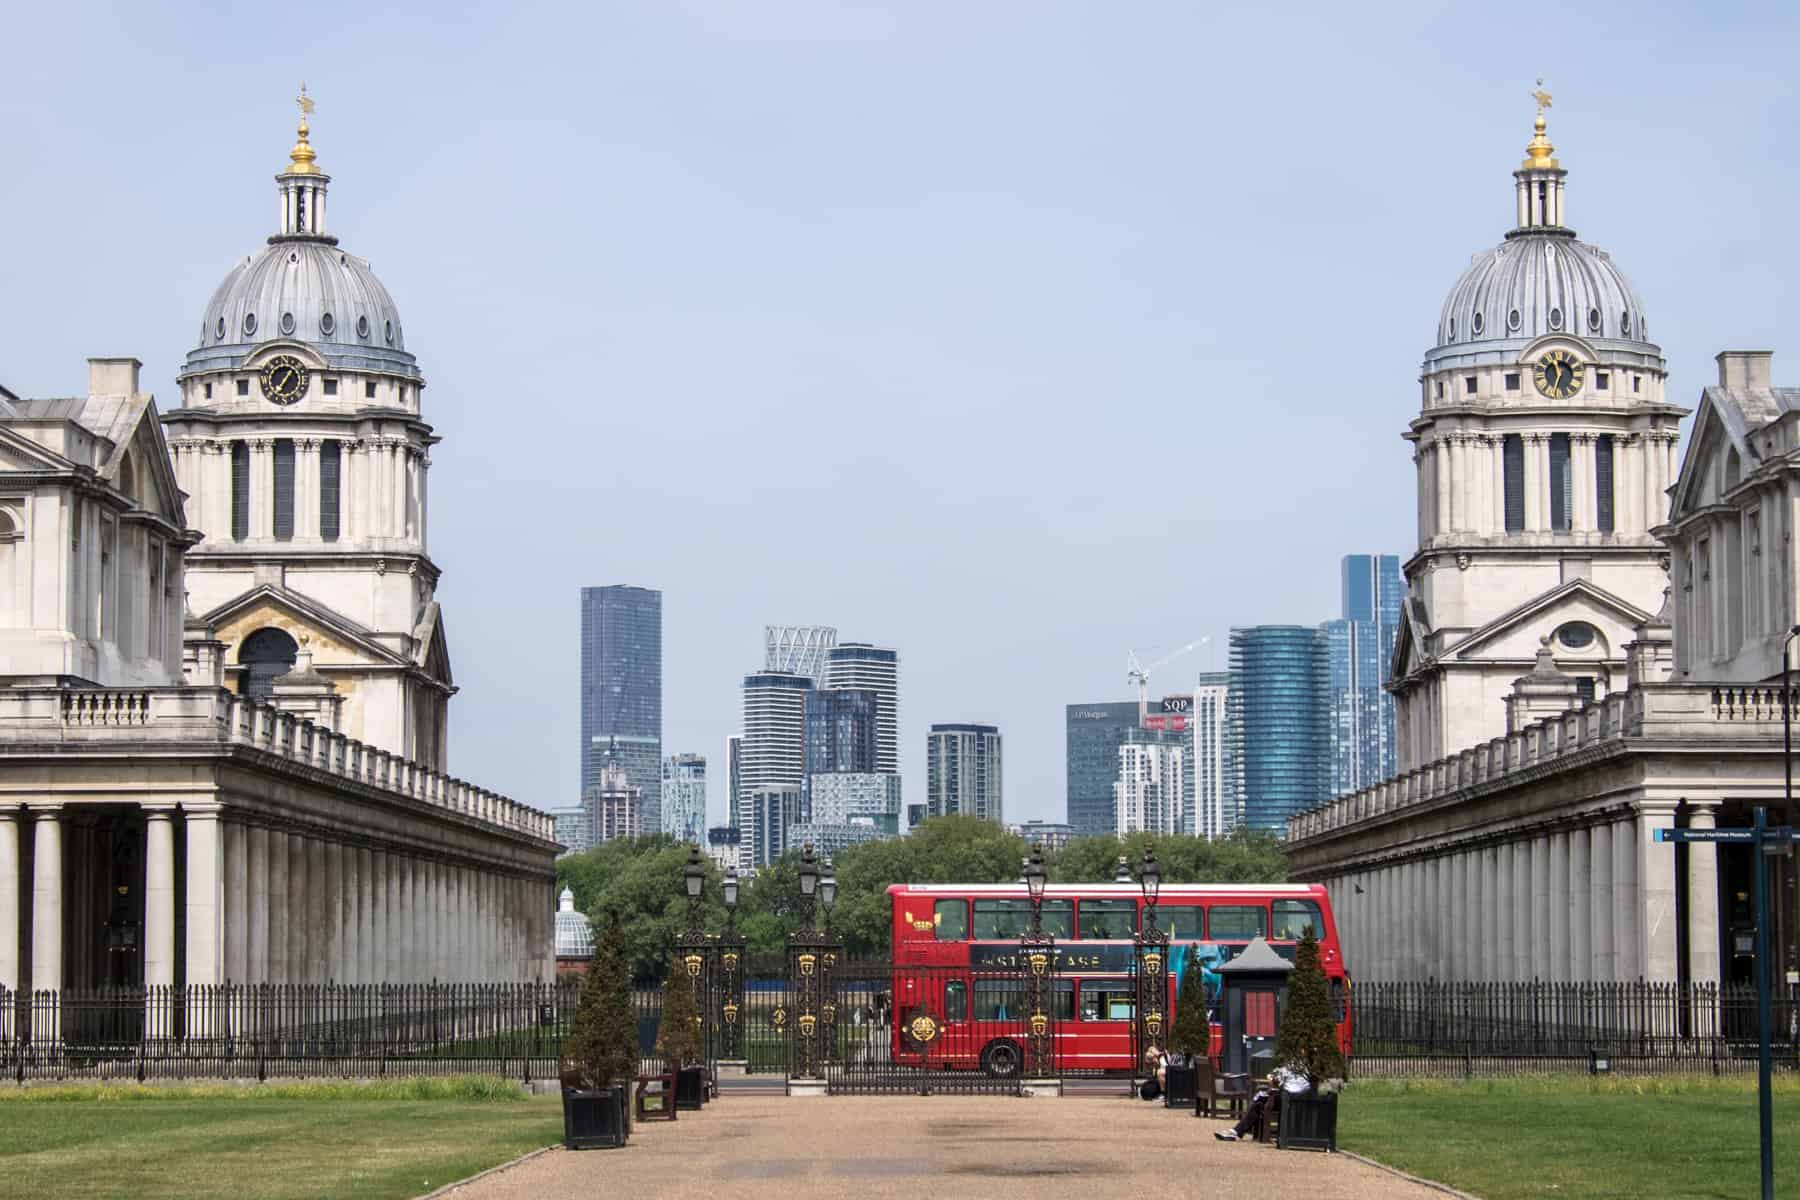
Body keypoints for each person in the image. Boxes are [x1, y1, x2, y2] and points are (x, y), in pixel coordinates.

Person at [1214, 1063, 1309, 1140]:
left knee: (1260, 1099)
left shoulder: (1301, 1069)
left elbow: (1287, 1085)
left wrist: (1278, 1083)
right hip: (1288, 1098)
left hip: (1290, 1100)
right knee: (1258, 1104)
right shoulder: (1298, 1066)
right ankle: (1237, 1132)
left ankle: (1237, 1132)